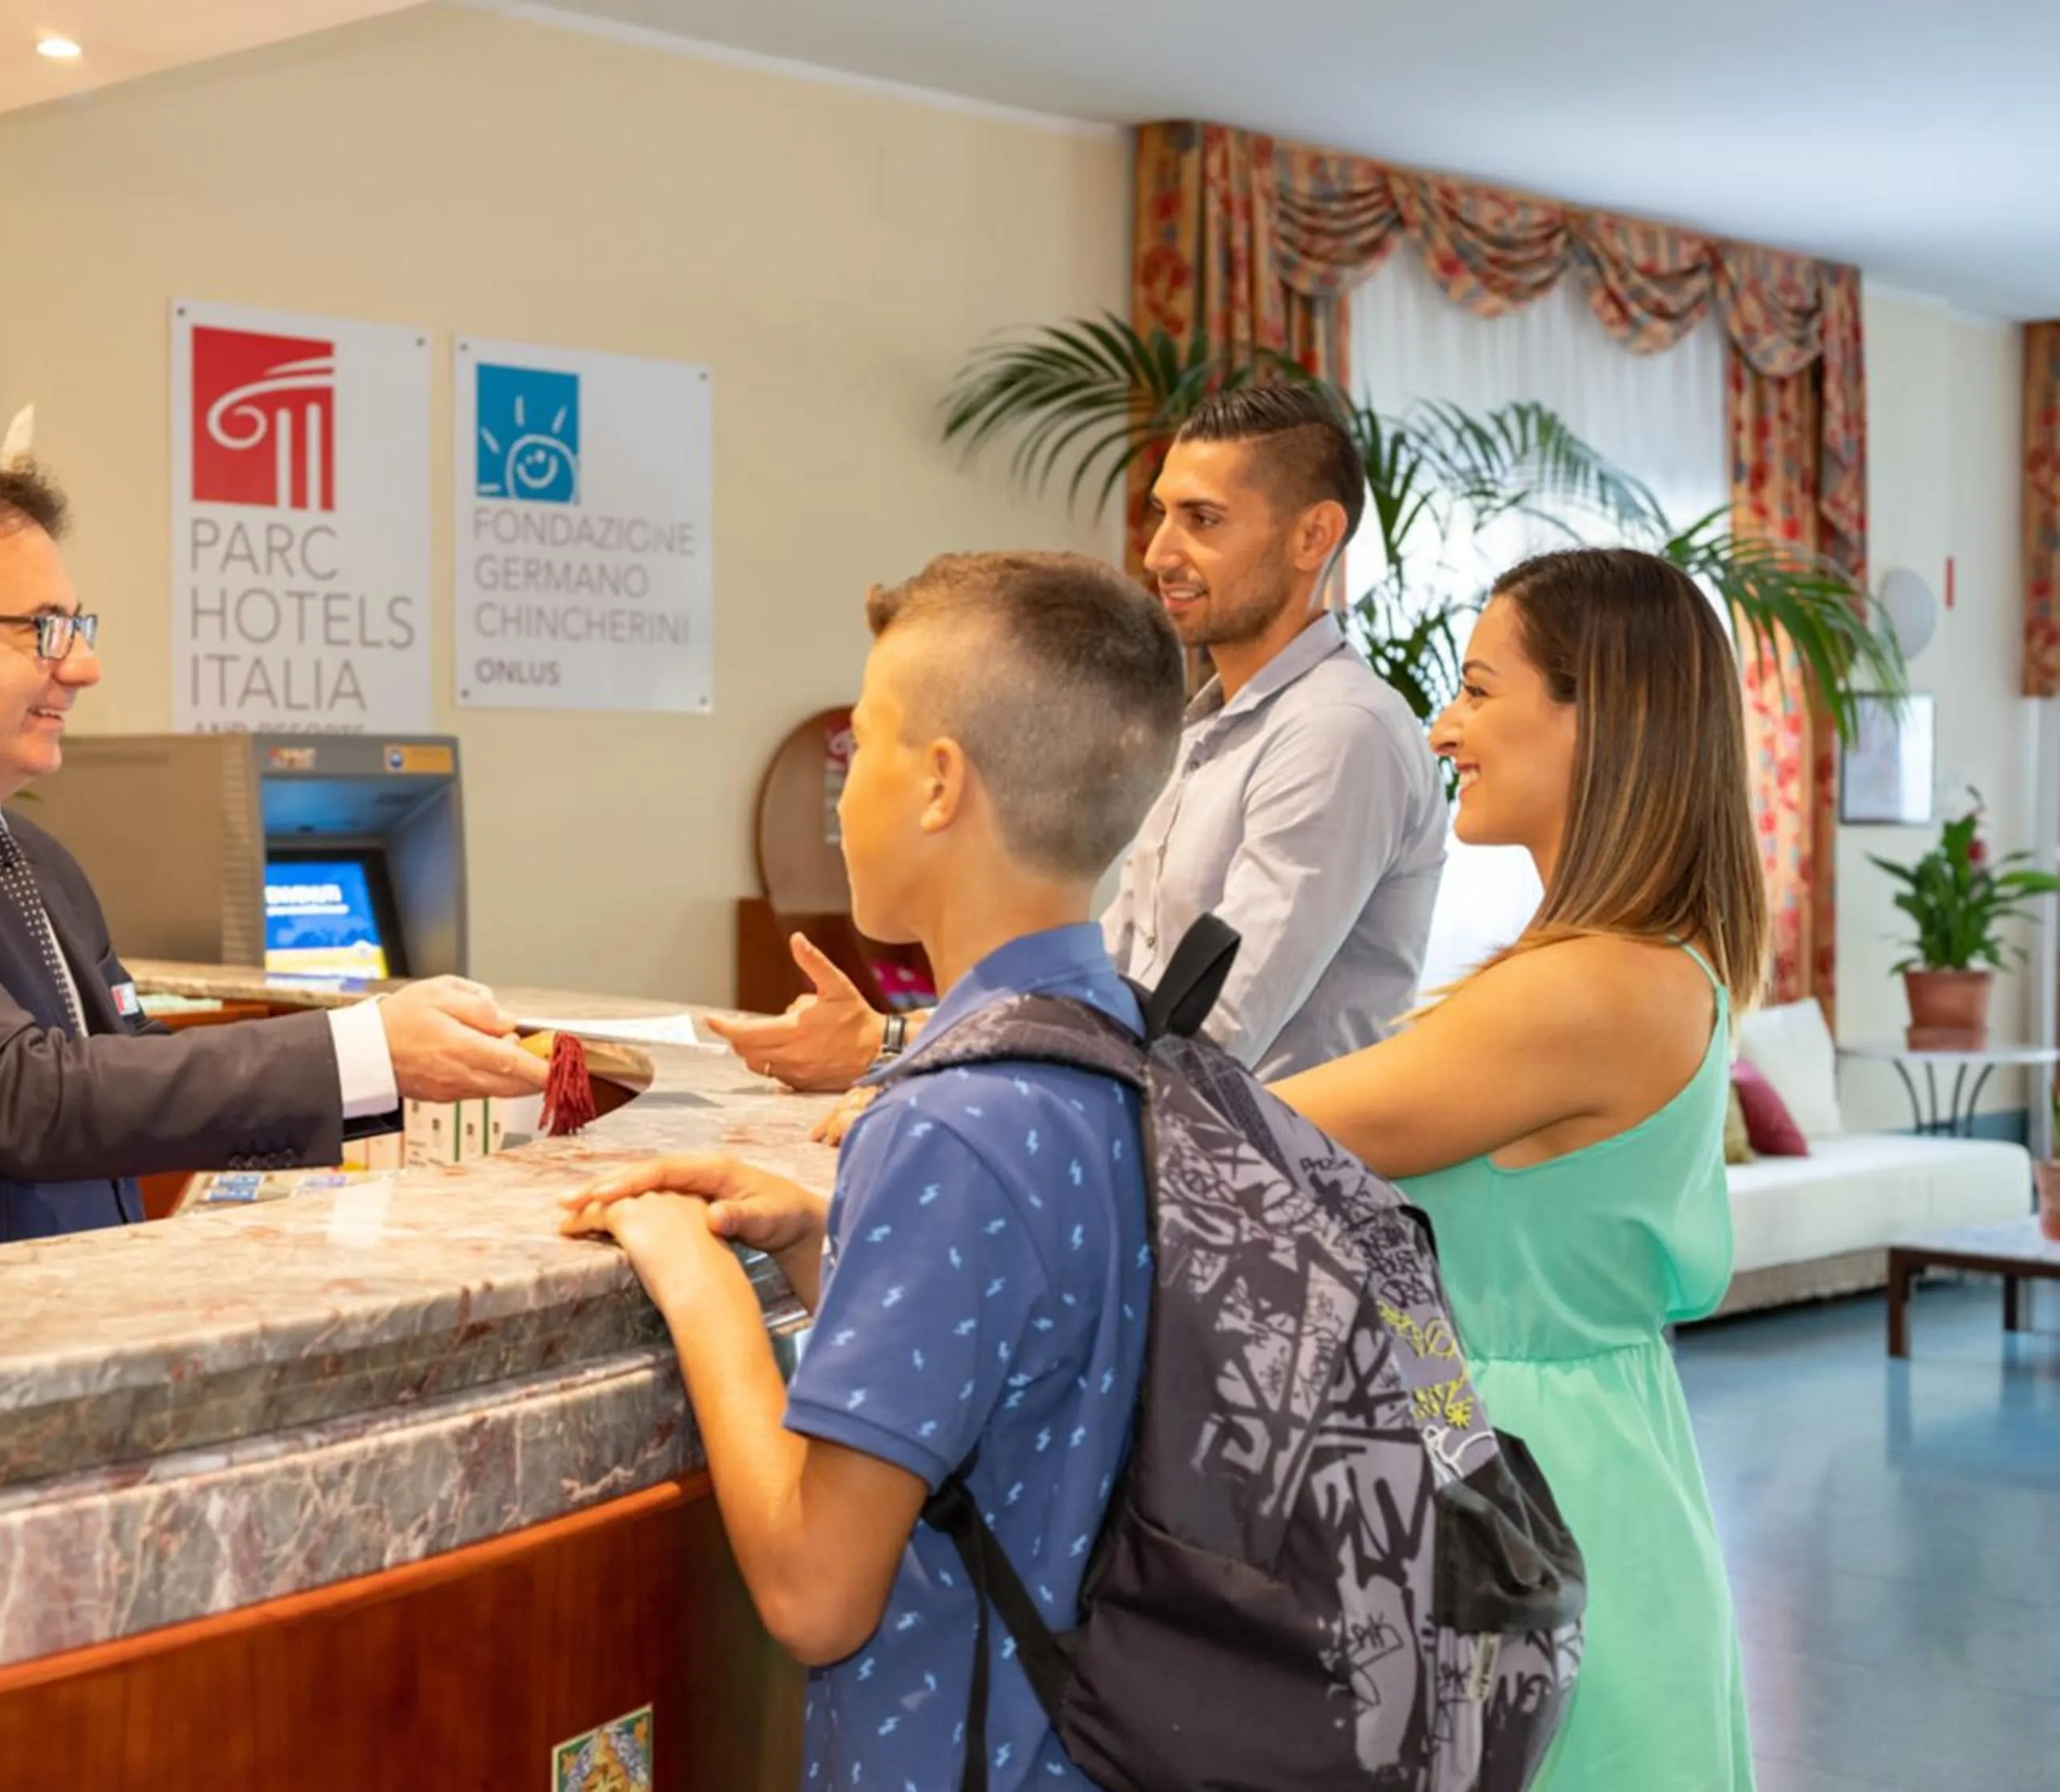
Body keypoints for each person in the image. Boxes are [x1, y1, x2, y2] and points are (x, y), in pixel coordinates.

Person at [559, 551, 1184, 1792]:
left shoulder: (950, 1126)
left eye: (862, 754)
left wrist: (702, 1285)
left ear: (941, 782)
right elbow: (1035, 1355)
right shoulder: (1119, 1046)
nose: (842, 796)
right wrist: (823, 1239)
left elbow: (813, 1590)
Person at [0, 452, 546, 1277]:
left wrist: (381, 1067)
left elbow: (126, 1066)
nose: (83, 666)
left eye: (78, 628)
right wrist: (364, 1047)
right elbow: (19, 1098)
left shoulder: (26, 853)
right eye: (44, 631)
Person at [1268, 547, 1761, 1790]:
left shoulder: (1587, 990)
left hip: (1529, 1505)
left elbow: (1236, 1129)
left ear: (1596, 709)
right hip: (1554, 1472)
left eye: (1482, 691)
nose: (1446, 727)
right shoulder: (1639, 961)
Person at [712, 380, 1445, 1092]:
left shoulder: (1339, 732)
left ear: (1313, 536)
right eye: (1161, 513)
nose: (1159, 552)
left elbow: (1207, 1035)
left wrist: (919, 1062)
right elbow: (1104, 993)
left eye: (1203, 519)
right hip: (1164, 1149)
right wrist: (898, 1043)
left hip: (1262, 1191)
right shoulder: (1210, 726)